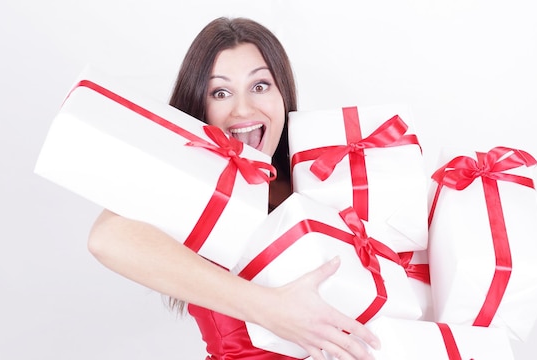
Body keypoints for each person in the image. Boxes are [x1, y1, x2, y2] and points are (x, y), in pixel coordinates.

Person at [87, 17, 380, 360]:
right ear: (200, 106)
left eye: (260, 86)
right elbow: (105, 239)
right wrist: (272, 311)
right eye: (221, 92)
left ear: (282, 93)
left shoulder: (322, 181)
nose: (243, 108)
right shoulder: (195, 191)